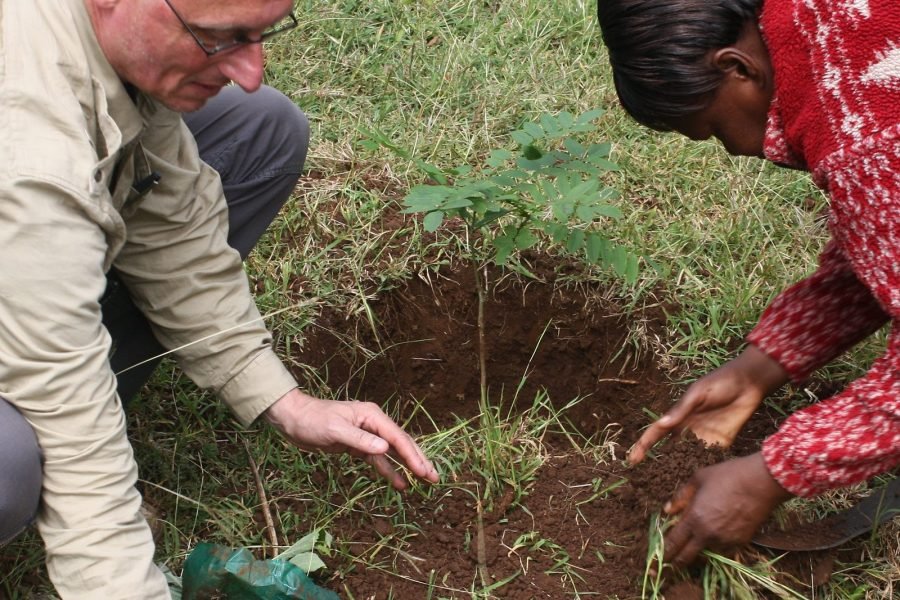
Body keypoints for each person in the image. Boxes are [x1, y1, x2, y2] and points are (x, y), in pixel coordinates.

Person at [0, 0, 439, 597]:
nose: (251, 71)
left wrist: (282, 399)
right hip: (26, 241)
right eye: (220, 37)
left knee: (261, 125)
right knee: (11, 466)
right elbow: (67, 412)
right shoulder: (32, 157)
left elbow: (171, 225)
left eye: (260, 35)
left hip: (32, 260)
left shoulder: (100, 46)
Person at [596, 0, 900, 567]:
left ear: (737, 66)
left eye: (714, 130)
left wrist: (773, 474)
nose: (736, 149)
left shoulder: (862, 137)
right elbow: (887, 242)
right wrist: (759, 367)